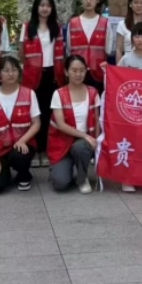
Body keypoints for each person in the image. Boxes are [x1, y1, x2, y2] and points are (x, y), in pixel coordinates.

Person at [0, 56, 41, 193]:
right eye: (6, 70)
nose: (10, 73)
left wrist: (23, 140)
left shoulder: (29, 94)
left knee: (20, 154)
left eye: (14, 70)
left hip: (22, 145)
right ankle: (4, 173)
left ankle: (23, 175)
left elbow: (36, 123)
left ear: (19, 73)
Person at [19, 0, 66, 169]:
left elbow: (62, 53)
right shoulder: (27, 27)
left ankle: (45, 150)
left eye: (48, 5)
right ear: (36, 7)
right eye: (42, 5)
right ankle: (34, 150)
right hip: (32, 75)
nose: (45, 8)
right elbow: (22, 53)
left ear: (52, 8)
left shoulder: (57, 28)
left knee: (48, 114)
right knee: (33, 113)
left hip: (52, 75)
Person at [49, 55, 101, 194]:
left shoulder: (93, 92)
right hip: (63, 142)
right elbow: (61, 125)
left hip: (84, 144)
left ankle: (82, 178)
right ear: (66, 72)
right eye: (74, 70)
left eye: (82, 70)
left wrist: (96, 142)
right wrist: (85, 135)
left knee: (80, 147)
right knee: (60, 183)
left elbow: (97, 121)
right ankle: (59, 168)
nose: (78, 74)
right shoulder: (58, 94)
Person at [67, 0, 114, 92]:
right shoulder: (73, 23)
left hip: (98, 73)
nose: (88, 1)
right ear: (81, 0)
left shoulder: (105, 23)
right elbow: (69, 49)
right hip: (77, 74)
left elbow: (109, 50)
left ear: (97, 0)